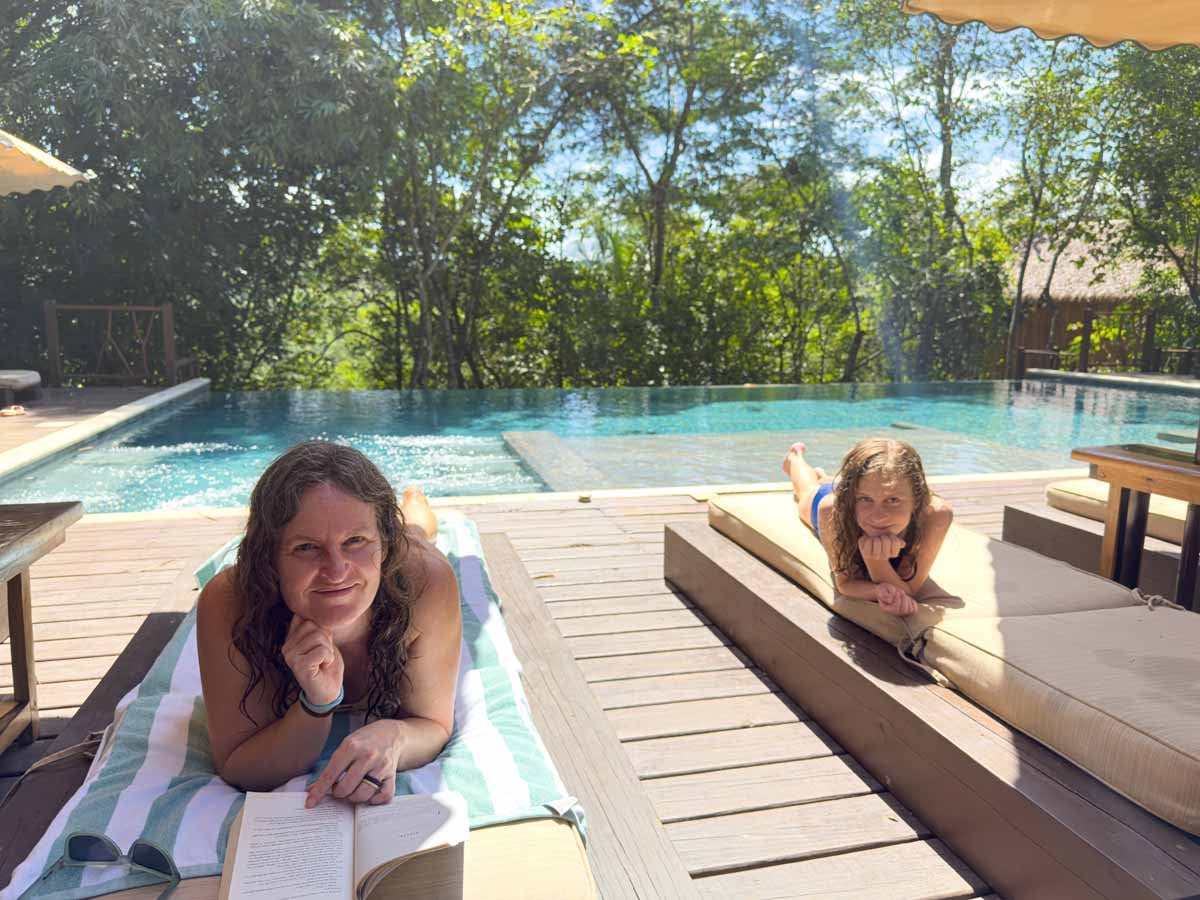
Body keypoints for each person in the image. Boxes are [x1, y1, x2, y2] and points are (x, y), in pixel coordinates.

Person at [197, 440, 462, 809]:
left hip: (409, 550)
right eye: (306, 547)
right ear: (269, 558)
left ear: (384, 544)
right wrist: (317, 705)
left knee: (418, 532)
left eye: (356, 540)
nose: (336, 571)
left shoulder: (425, 583)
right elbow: (238, 764)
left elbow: (433, 725)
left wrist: (396, 737)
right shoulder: (229, 603)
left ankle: (414, 502)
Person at [782, 438, 953, 617]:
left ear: (917, 499)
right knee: (805, 491)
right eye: (865, 499)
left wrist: (877, 572)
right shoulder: (832, 510)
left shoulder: (936, 514)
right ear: (852, 497)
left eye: (893, 500)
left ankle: (829, 478)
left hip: (861, 486)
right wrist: (876, 569)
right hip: (836, 501)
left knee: (870, 486)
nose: (877, 516)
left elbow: (910, 589)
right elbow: (845, 584)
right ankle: (795, 459)